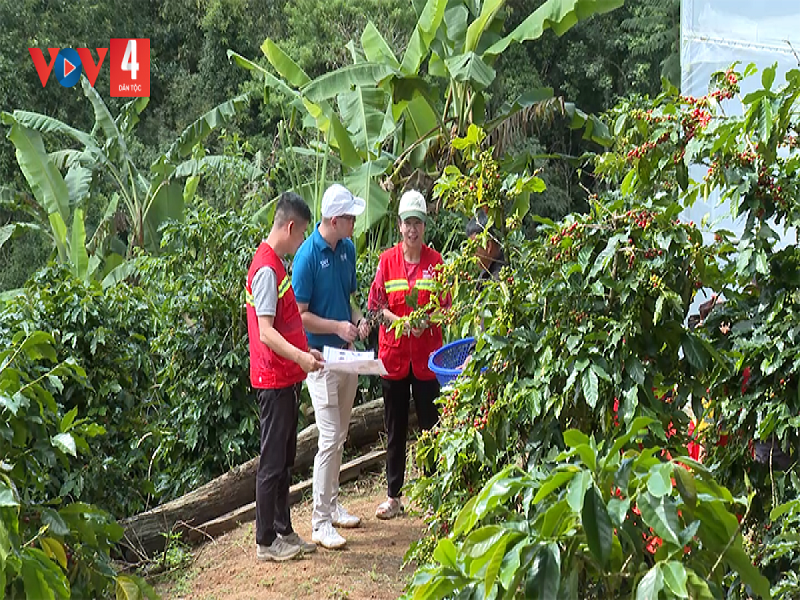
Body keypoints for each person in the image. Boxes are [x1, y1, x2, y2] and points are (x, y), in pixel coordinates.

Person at [246, 192, 325, 562]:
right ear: (290, 227)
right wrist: (298, 357)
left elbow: (286, 324)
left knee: (285, 459)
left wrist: (303, 354)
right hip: (273, 381)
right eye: (302, 234)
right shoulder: (266, 268)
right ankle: (265, 540)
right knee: (272, 462)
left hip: (287, 377)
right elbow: (265, 331)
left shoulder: (274, 264)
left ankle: (283, 530)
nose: (301, 243)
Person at [291, 183, 370, 549]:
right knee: (327, 437)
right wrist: (337, 327)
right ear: (335, 220)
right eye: (351, 217)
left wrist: (358, 320)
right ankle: (320, 520)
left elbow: (349, 299)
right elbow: (301, 316)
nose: (355, 222)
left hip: (347, 355)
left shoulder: (348, 249)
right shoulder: (306, 256)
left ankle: (333, 505)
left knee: (340, 435)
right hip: (320, 359)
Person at [367, 190, 447, 520]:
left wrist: (425, 320)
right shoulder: (387, 261)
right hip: (395, 357)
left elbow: (446, 307)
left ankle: (432, 494)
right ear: (399, 226)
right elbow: (375, 307)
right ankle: (393, 496)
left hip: (427, 358)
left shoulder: (436, 262)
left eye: (418, 223)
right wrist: (399, 322)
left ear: (424, 227)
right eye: (407, 223)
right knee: (395, 429)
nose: (412, 229)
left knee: (431, 428)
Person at [466, 210, 505, 280]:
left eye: (474, 248)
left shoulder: (500, 277)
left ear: (488, 246)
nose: (473, 255)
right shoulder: (487, 272)